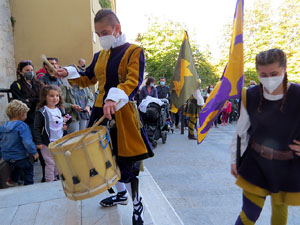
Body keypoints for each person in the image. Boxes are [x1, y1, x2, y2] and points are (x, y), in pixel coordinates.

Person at [57, 9, 153, 225]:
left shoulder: (134, 51)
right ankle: (121, 194)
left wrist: (114, 98)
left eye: (105, 32)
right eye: (98, 33)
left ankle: (137, 204)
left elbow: (133, 81)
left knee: (126, 162)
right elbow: (88, 76)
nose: (101, 37)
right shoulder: (100, 55)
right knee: (102, 159)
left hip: (122, 113)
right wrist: (67, 72)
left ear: (117, 28)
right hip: (100, 111)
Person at [230, 48, 300, 225]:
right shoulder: (250, 95)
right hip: (256, 162)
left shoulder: (298, 95)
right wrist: (234, 159)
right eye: (264, 74)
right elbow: (241, 132)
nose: (269, 79)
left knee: (279, 214)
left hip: (287, 166)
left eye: (274, 73)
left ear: (284, 69)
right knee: (249, 214)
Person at [10, 60, 45, 182]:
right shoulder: (16, 85)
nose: (30, 73)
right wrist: (31, 101)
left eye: (31, 70)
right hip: (27, 120)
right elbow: (21, 103)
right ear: (20, 72)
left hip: (39, 119)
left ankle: (45, 173)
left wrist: (31, 100)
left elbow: (42, 99)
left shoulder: (39, 84)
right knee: (28, 144)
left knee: (41, 144)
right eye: (27, 70)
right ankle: (25, 176)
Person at [0, 100, 39, 186]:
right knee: (28, 168)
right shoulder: (22, 126)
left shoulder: (2, 127)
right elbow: (27, 142)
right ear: (21, 114)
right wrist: (34, 152)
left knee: (17, 168)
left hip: (7, 157)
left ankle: (13, 180)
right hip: (20, 155)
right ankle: (29, 187)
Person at [33, 85, 67, 182]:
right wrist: (38, 142)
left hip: (58, 141)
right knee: (50, 162)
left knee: (58, 161)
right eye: (51, 96)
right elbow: (36, 128)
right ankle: (49, 181)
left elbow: (59, 122)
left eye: (57, 96)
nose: (55, 98)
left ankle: (55, 177)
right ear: (45, 97)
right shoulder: (42, 112)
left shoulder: (59, 109)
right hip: (47, 142)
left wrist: (64, 126)